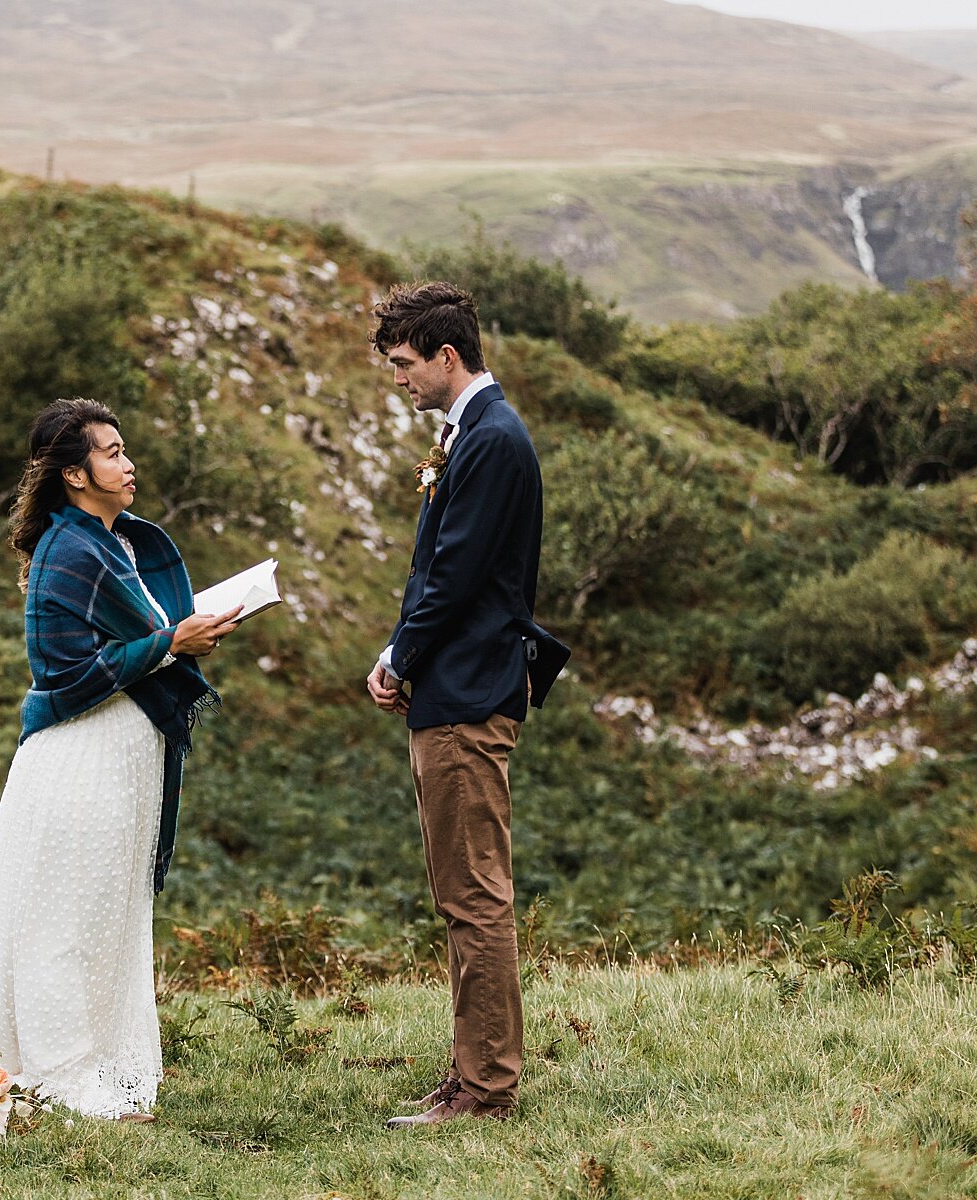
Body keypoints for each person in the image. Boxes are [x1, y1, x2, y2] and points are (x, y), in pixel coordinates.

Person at [0, 398, 241, 1121]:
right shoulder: (68, 550)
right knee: (64, 922)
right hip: (80, 762)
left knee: (107, 916)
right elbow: (65, 674)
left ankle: (98, 1066)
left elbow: (140, 633)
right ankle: (62, 1077)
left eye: (123, 447)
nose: (128, 461)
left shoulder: (118, 542)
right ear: (75, 475)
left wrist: (180, 634)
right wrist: (173, 643)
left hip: (123, 761)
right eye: (111, 452)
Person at [363, 281, 566, 1129]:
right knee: (459, 891)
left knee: (474, 895)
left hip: (466, 690)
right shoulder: (475, 433)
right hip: (457, 687)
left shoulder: (491, 440)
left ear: (448, 356)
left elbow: (453, 575)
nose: (400, 380)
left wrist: (397, 654)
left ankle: (486, 1091)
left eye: (406, 364)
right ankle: (470, 1075)